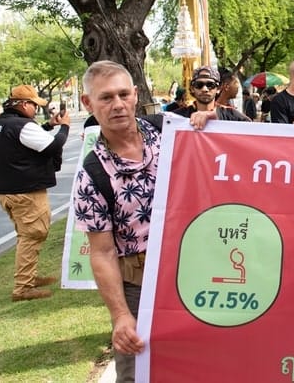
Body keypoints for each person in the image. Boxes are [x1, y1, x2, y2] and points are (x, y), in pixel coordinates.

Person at [73, 61, 222, 382]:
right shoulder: (92, 174)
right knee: (137, 372)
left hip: (193, 277)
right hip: (139, 289)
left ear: (135, 95)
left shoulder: (168, 129)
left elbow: (221, 146)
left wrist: (211, 121)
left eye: (123, 95)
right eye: (106, 97)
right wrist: (121, 316)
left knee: (202, 364)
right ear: (88, 103)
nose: (117, 105)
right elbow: (101, 253)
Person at [0, 84, 70, 301]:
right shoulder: (22, 125)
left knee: (26, 235)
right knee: (33, 235)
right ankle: (23, 287)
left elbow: (21, 142)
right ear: (24, 104)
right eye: (34, 105)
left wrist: (47, 126)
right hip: (26, 191)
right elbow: (52, 147)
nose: (37, 109)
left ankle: (29, 277)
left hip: (8, 191)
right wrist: (64, 128)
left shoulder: (0, 124)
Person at [174, 66, 252, 122]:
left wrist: (217, 115)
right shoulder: (178, 117)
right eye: (199, 85)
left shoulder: (230, 115)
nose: (205, 89)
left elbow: (251, 129)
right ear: (192, 88)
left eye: (210, 85)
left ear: (218, 88)